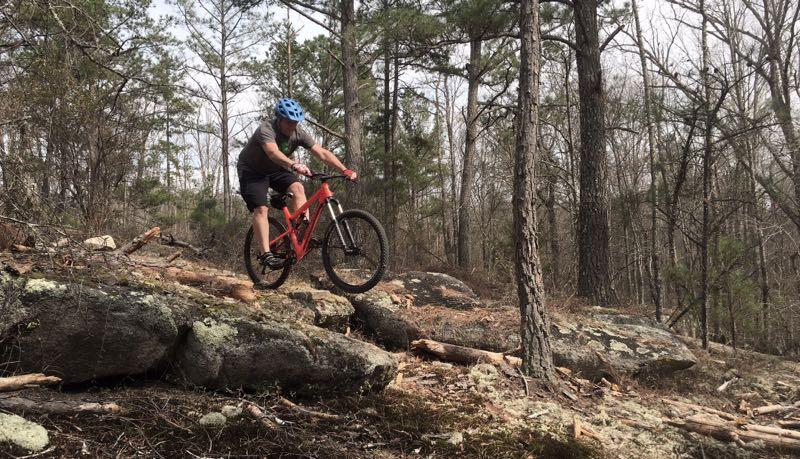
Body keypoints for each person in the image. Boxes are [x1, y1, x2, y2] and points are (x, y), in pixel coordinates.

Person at [237, 98, 357, 269]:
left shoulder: (299, 133)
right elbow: (272, 152)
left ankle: (301, 233)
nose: (292, 126)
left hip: (276, 169)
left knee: (298, 188)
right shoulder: (266, 129)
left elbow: (322, 153)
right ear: (279, 119)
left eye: (295, 122)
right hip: (252, 171)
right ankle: (266, 254)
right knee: (261, 208)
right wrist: (293, 164)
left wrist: (345, 170)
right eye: (288, 122)